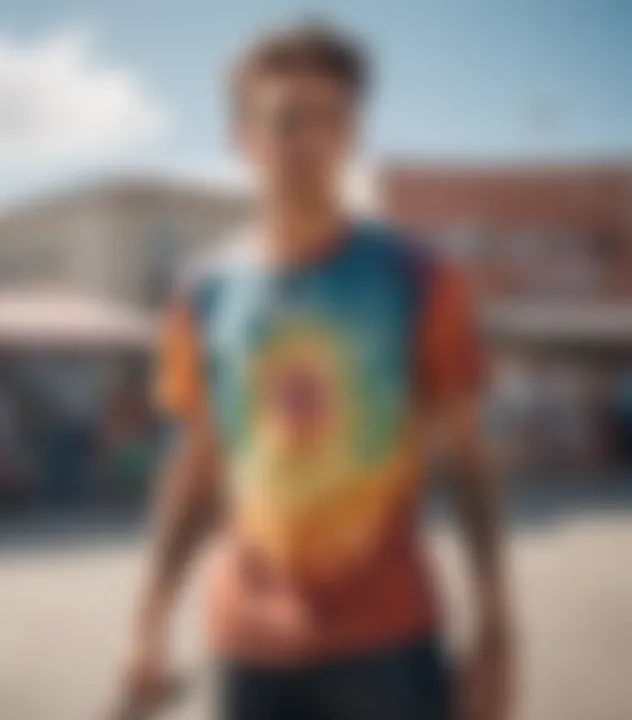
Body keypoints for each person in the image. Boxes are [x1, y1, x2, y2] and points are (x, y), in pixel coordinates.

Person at [114, 23, 512, 720]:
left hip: (386, 643)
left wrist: (497, 631)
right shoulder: (203, 292)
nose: (307, 142)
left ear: (353, 135)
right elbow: (196, 465)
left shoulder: (417, 278)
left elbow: (470, 461)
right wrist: (147, 625)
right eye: (285, 119)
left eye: (329, 119)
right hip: (245, 646)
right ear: (242, 136)